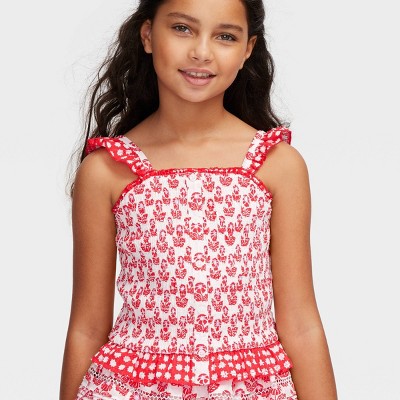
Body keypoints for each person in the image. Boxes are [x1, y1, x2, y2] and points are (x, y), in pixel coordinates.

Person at [60, 0, 337, 399]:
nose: (201, 52)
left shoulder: (277, 165)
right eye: (183, 28)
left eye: (225, 36)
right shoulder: (106, 170)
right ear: (147, 35)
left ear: (247, 49)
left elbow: (301, 323)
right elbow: (87, 328)